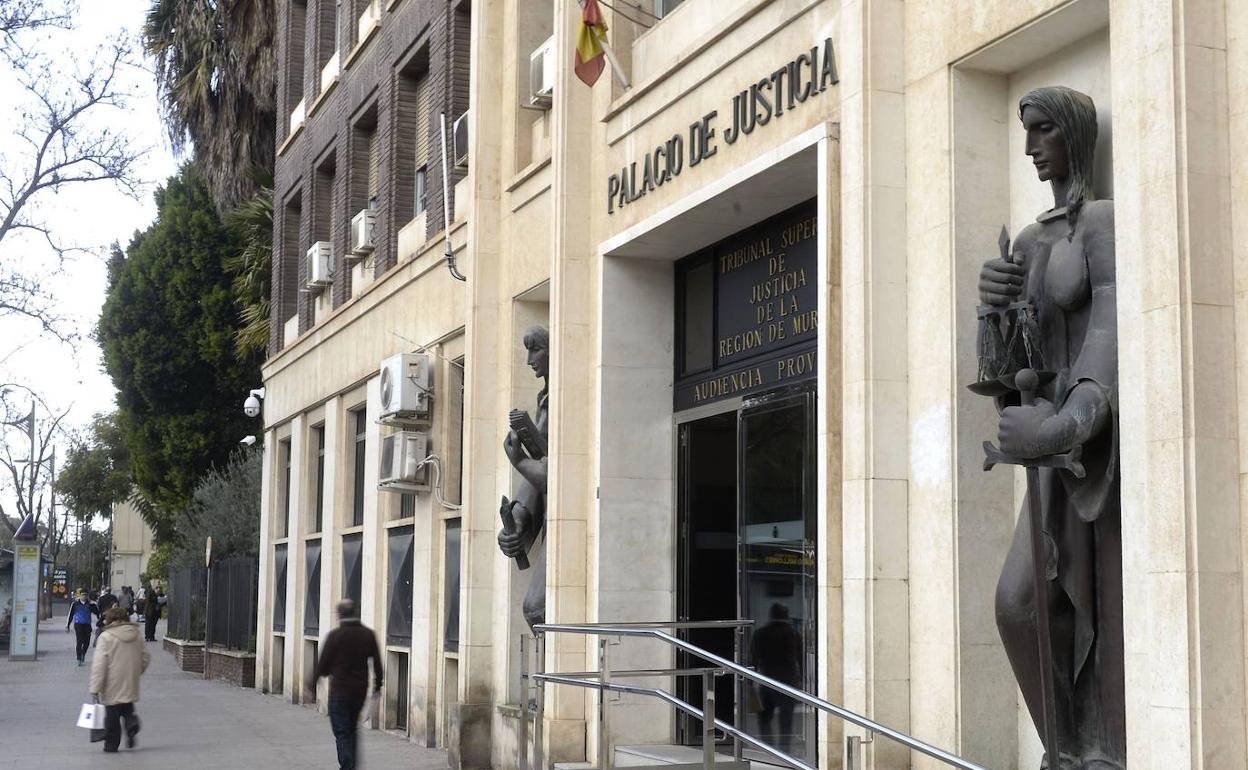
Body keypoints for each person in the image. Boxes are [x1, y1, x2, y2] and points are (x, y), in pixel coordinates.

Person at [977, 86, 1123, 769]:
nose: (1031, 147)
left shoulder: (1100, 223)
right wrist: (991, 311)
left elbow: (1108, 336)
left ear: (1073, 134)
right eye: (1026, 133)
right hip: (1048, 453)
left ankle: (1093, 751)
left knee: (1091, 611)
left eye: (1042, 132)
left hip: (1093, 452)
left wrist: (1067, 425)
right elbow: (1010, 373)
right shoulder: (1032, 238)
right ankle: (1061, 751)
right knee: (1017, 606)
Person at [309, 599, 382, 770]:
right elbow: (378, 664)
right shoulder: (368, 635)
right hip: (359, 691)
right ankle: (352, 765)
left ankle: (347, 764)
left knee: (342, 732)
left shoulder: (335, 636)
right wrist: (378, 685)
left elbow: (322, 666)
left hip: (340, 691)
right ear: (355, 612)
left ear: (339, 615)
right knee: (352, 729)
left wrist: (312, 684)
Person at [88, 606, 149, 753]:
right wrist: (137, 671)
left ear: (110, 619)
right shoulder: (136, 634)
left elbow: (99, 665)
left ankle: (111, 745)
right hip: (130, 679)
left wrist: (95, 688)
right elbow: (146, 657)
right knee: (127, 707)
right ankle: (131, 724)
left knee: (112, 716)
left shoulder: (106, 637)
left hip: (111, 683)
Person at [750, 603, 802, 753]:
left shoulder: (760, 633)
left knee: (764, 718)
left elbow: (753, 659)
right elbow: (800, 659)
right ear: (786, 616)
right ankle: (784, 751)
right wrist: (801, 679)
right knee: (786, 720)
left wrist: (749, 682)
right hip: (788, 681)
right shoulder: (793, 634)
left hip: (767, 680)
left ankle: (769, 747)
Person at [65, 588, 97, 666]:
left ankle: (83, 654)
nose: (84, 597)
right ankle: (78, 658)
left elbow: (97, 612)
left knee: (87, 642)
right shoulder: (75, 604)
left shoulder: (90, 604)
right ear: (80, 595)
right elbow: (70, 615)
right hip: (78, 624)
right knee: (79, 641)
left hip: (87, 625)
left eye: (85, 595)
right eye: (82, 595)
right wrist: (67, 625)